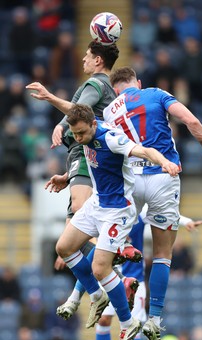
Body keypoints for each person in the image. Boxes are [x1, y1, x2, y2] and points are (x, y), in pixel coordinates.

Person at [102, 66, 202, 340]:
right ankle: (154, 319)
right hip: (163, 176)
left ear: (115, 89)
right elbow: (191, 121)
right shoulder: (156, 94)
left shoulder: (109, 111)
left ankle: (117, 301)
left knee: (116, 242)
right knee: (162, 254)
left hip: (129, 180)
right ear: (138, 83)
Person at [46, 103, 179, 340]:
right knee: (63, 247)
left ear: (94, 125)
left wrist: (164, 162)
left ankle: (128, 324)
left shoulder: (112, 138)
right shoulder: (83, 135)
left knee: (99, 267)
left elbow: (144, 150)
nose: (79, 138)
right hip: (97, 203)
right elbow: (90, 157)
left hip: (118, 209)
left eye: (82, 133)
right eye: (75, 134)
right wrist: (66, 177)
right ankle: (97, 295)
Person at [26, 42, 141, 295]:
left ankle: (119, 248)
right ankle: (118, 277)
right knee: (71, 233)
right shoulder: (110, 88)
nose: (83, 61)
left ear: (98, 60)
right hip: (94, 157)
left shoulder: (94, 85)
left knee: (79, 208)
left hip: (85, 150)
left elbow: (82, 114)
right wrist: (68, 176)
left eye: (87, 56)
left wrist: (54, 107)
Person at [95, 213, 202, 340]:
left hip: (134, 279)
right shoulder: (107, 204)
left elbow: (165, 212)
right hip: (108, 276)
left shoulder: (140, 207)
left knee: (132, 326)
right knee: (104, 320)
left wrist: (187, 222)